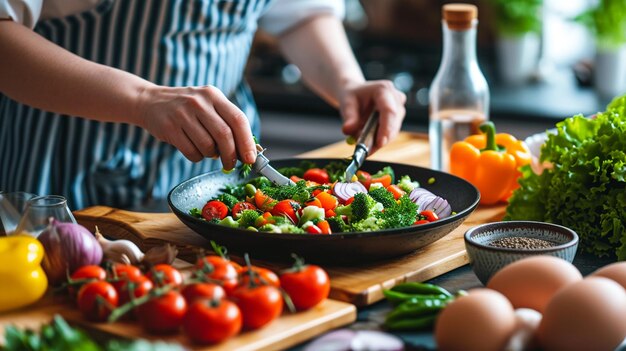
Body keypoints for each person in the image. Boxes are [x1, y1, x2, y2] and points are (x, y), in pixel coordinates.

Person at [0, 0, 406, 210]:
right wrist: (142, 100)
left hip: (214, 174)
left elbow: (299, 13)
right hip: (62, 159)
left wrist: (347, 82)